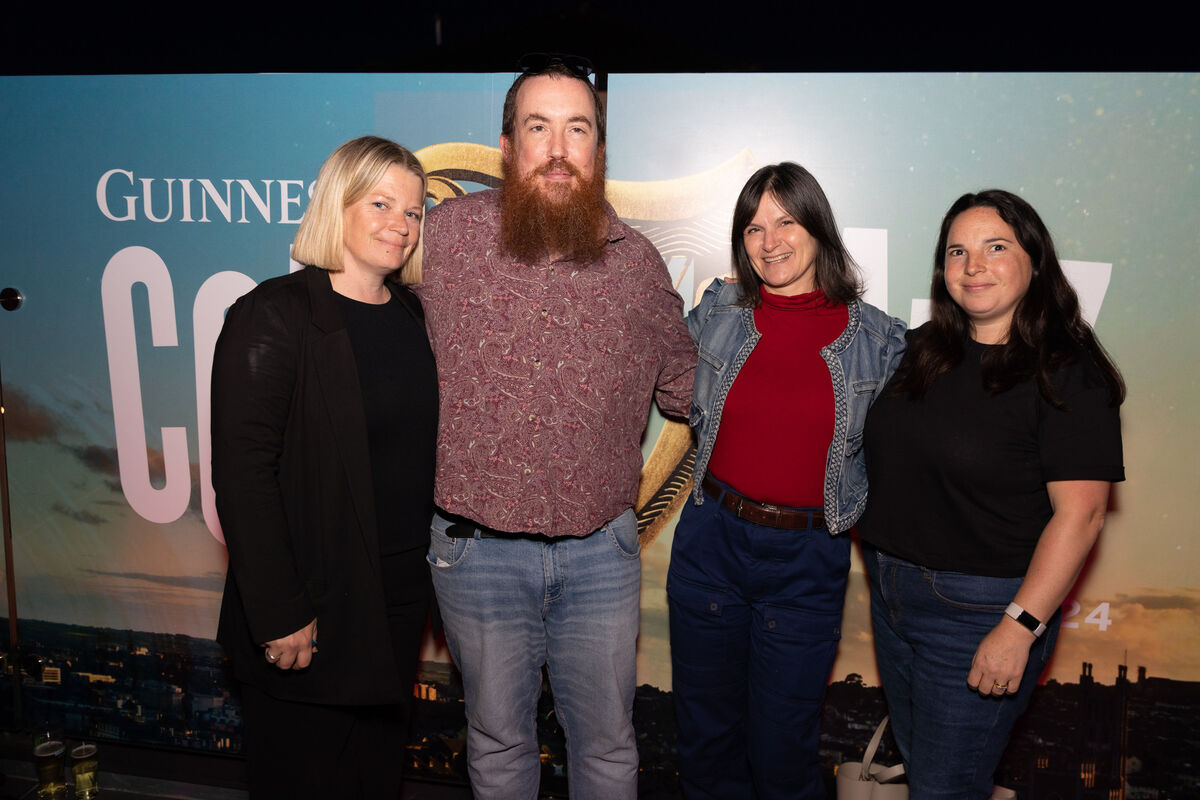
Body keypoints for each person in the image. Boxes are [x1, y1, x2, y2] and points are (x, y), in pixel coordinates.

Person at [416, 55, 696, 800]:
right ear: (507, 147)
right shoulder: (437, 244)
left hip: (600, 555)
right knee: (499, 741)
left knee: (605, 749)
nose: (559, 147)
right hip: (475, 555)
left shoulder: (638, 265)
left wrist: (747, 324)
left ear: (599, 153)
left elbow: (688, 389)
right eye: (539, 127)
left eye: (578, 129)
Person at [857, 190, 1125, 798]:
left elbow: (1081, 517)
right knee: (925, 777)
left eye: (995, 247)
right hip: (894, 595)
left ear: (1034, 258)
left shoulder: (1067, 373)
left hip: (983, 613)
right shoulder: (921, 351)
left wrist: (1019, 628)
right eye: (958, 252)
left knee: (946, 789)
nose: (973, 265)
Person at [670, 162, 907, 799]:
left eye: (785, 221)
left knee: (783, 756)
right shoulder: (720, 314)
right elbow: (652, 373)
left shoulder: (880, 342)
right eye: (752, 228)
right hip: (711, 546)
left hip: (807, 562)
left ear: (818, 227)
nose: (769, 241)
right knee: (703, 746)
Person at [211, 136, 436, 799]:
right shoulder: (272, 315)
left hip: (394, 608)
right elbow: (244, 476)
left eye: (415, 212)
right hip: (311, 610)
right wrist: (279, 612)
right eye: (382, 203)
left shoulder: (411, 315)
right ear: (337, 203)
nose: (402, 223)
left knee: (374, 783)